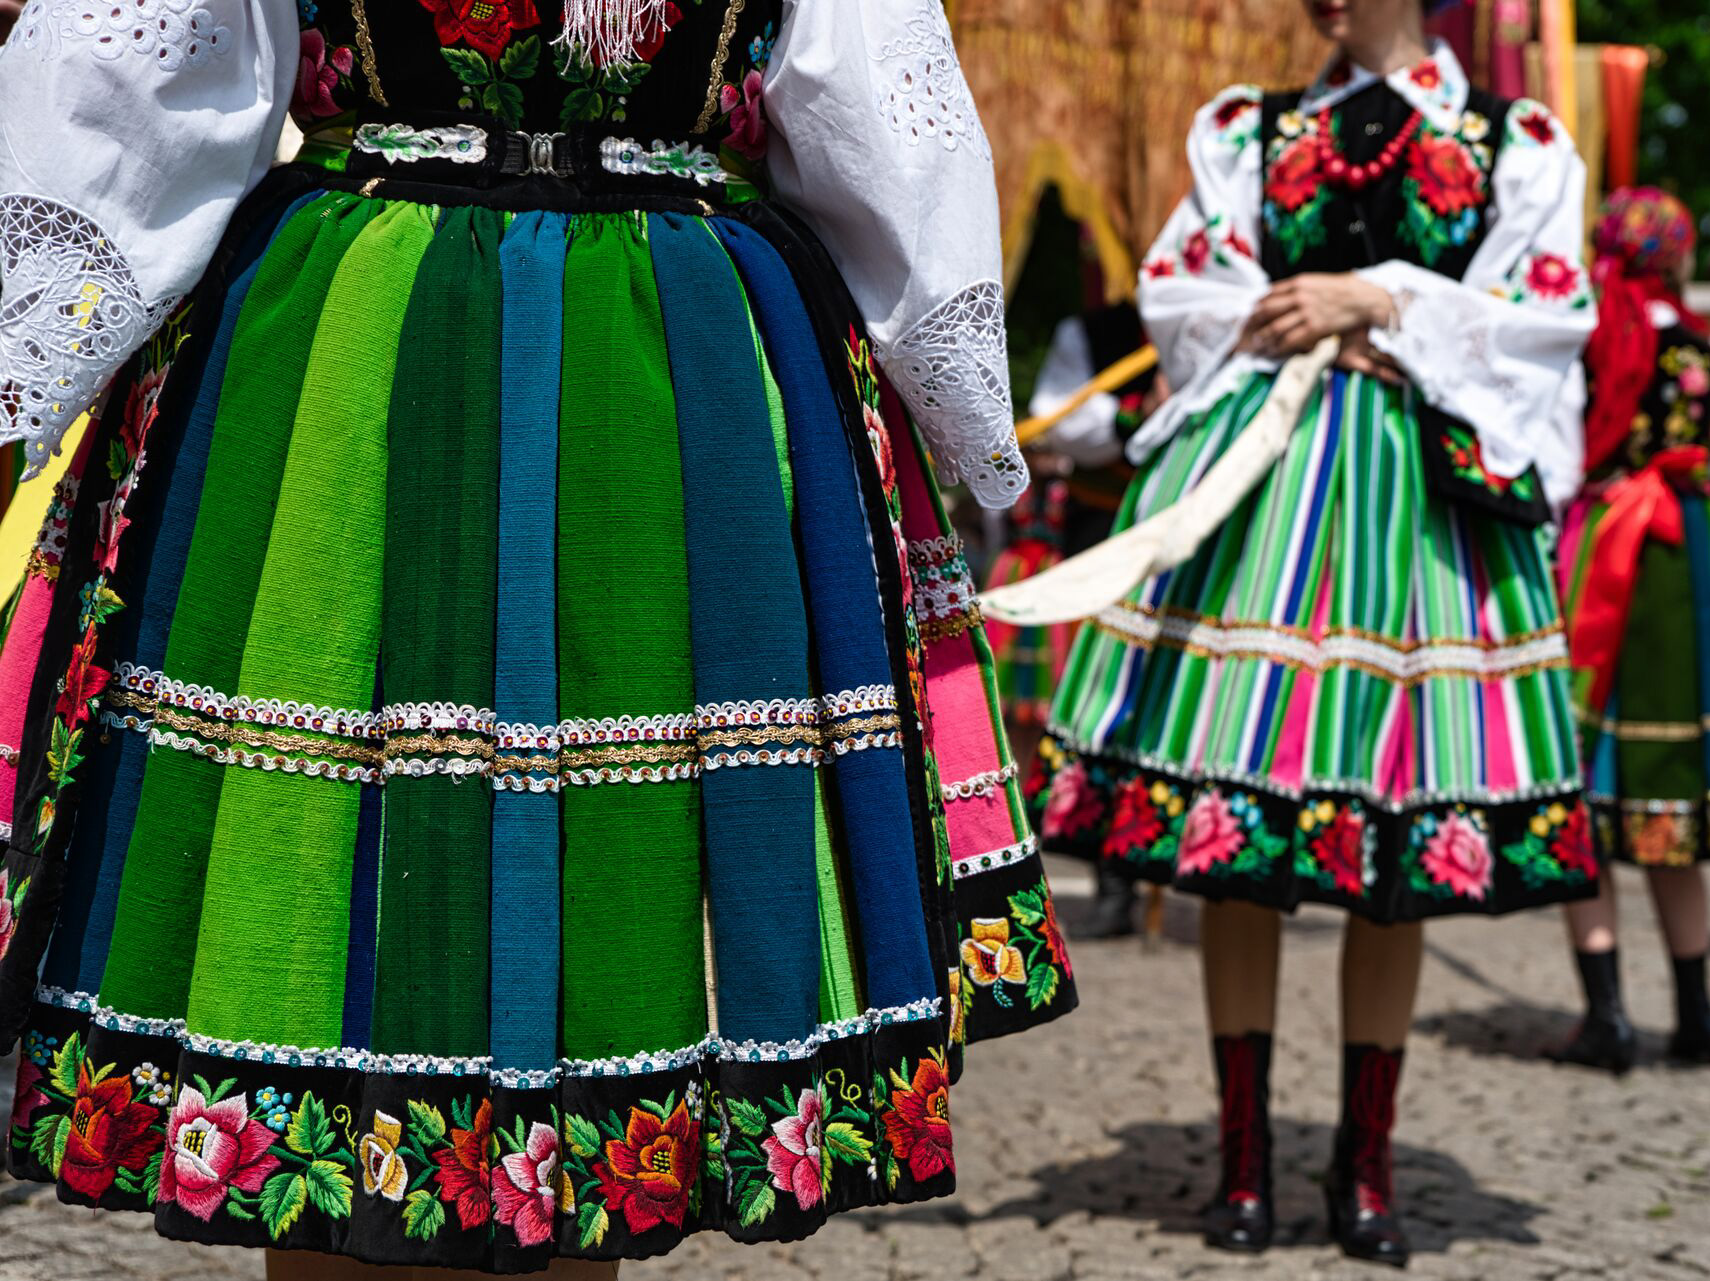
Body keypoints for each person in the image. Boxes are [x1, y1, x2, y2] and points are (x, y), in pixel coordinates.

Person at [0, 0, 1075, 1273]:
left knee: (604, 956)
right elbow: (143, 72)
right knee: (335, 906)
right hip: (382, 359)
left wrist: (958, 403)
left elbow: (870, 102)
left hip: (631, 361)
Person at [1028, 0, 1598, 1265]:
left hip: (1422, 513)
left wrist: (1382, 298)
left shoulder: (1521, 140)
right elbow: (1186, 287)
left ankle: (1368, 1157)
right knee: (1241, 816)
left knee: (1393, 834)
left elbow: (1546, 317)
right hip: (1264, 491)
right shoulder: (1251, 130)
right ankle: (1245, 1157)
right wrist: (1303, 311)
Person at [1548, 188, 1710, 1074]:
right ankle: (1699, 1016)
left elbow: (1556, 469)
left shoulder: (1581, 342)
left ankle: (1607, 1017)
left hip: (1608, 548)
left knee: (1588, 783)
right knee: (1675, 781)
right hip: (1694, 558)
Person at [998, 300, 1160, 937]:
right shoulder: (1093, 330)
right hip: (1104, 533)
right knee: (1107, 700)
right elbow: (1060, 420)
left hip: (1196, 516)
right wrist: (1136, 413)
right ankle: (1115, 884)